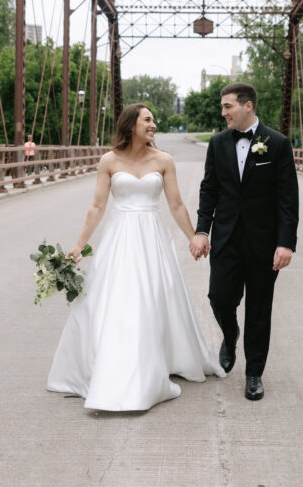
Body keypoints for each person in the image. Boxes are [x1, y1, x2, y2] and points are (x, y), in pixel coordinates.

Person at [46, 103, 224, 411]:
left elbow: (177, 204)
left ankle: (154, 361)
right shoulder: (109, 160)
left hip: (151, 237)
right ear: (130, 125)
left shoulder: (164, 160)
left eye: (154, 119)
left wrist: (195, 237)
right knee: (117, 301)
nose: (153, 124)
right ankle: (115, 367)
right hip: (119, 237)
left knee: (151, 298)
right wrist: (79, 245)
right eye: (147, 120)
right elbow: (98, 207)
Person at [189, 82, 299, 401]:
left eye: (227, 106)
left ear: (247, 106)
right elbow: (209, 189)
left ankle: (254, 374)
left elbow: (287, 199)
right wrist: (201, 230)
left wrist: (285, 243)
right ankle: (229, 333)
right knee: (219, 297)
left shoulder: (277, 143)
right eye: (223, 107)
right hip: (226, 239)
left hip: (265, 243)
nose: (223, 112)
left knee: (259, 309)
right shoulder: (218, 144)